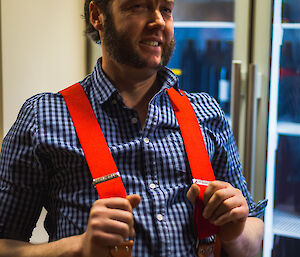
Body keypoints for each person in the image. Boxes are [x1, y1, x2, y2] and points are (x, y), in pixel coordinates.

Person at [0, 0, 267, 256]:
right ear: (97, 16)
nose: (158, 21)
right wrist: (77, 247)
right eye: (138, 6)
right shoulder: (44, 117)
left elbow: (253, 233)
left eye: (166, 9)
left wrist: (237, 231)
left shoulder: (206, 112)